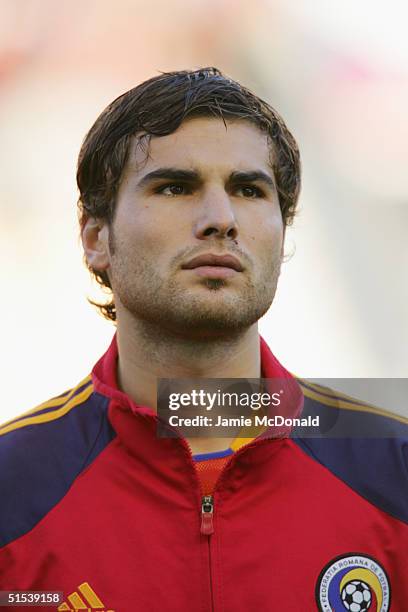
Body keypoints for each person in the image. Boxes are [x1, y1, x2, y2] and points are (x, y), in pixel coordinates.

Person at [0, 68, 406, 612]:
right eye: (175, 187)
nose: (222, 219)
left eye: (248, 189)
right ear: (97, 238)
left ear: (282, 235)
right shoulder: (14, 486)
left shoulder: (393, 464)